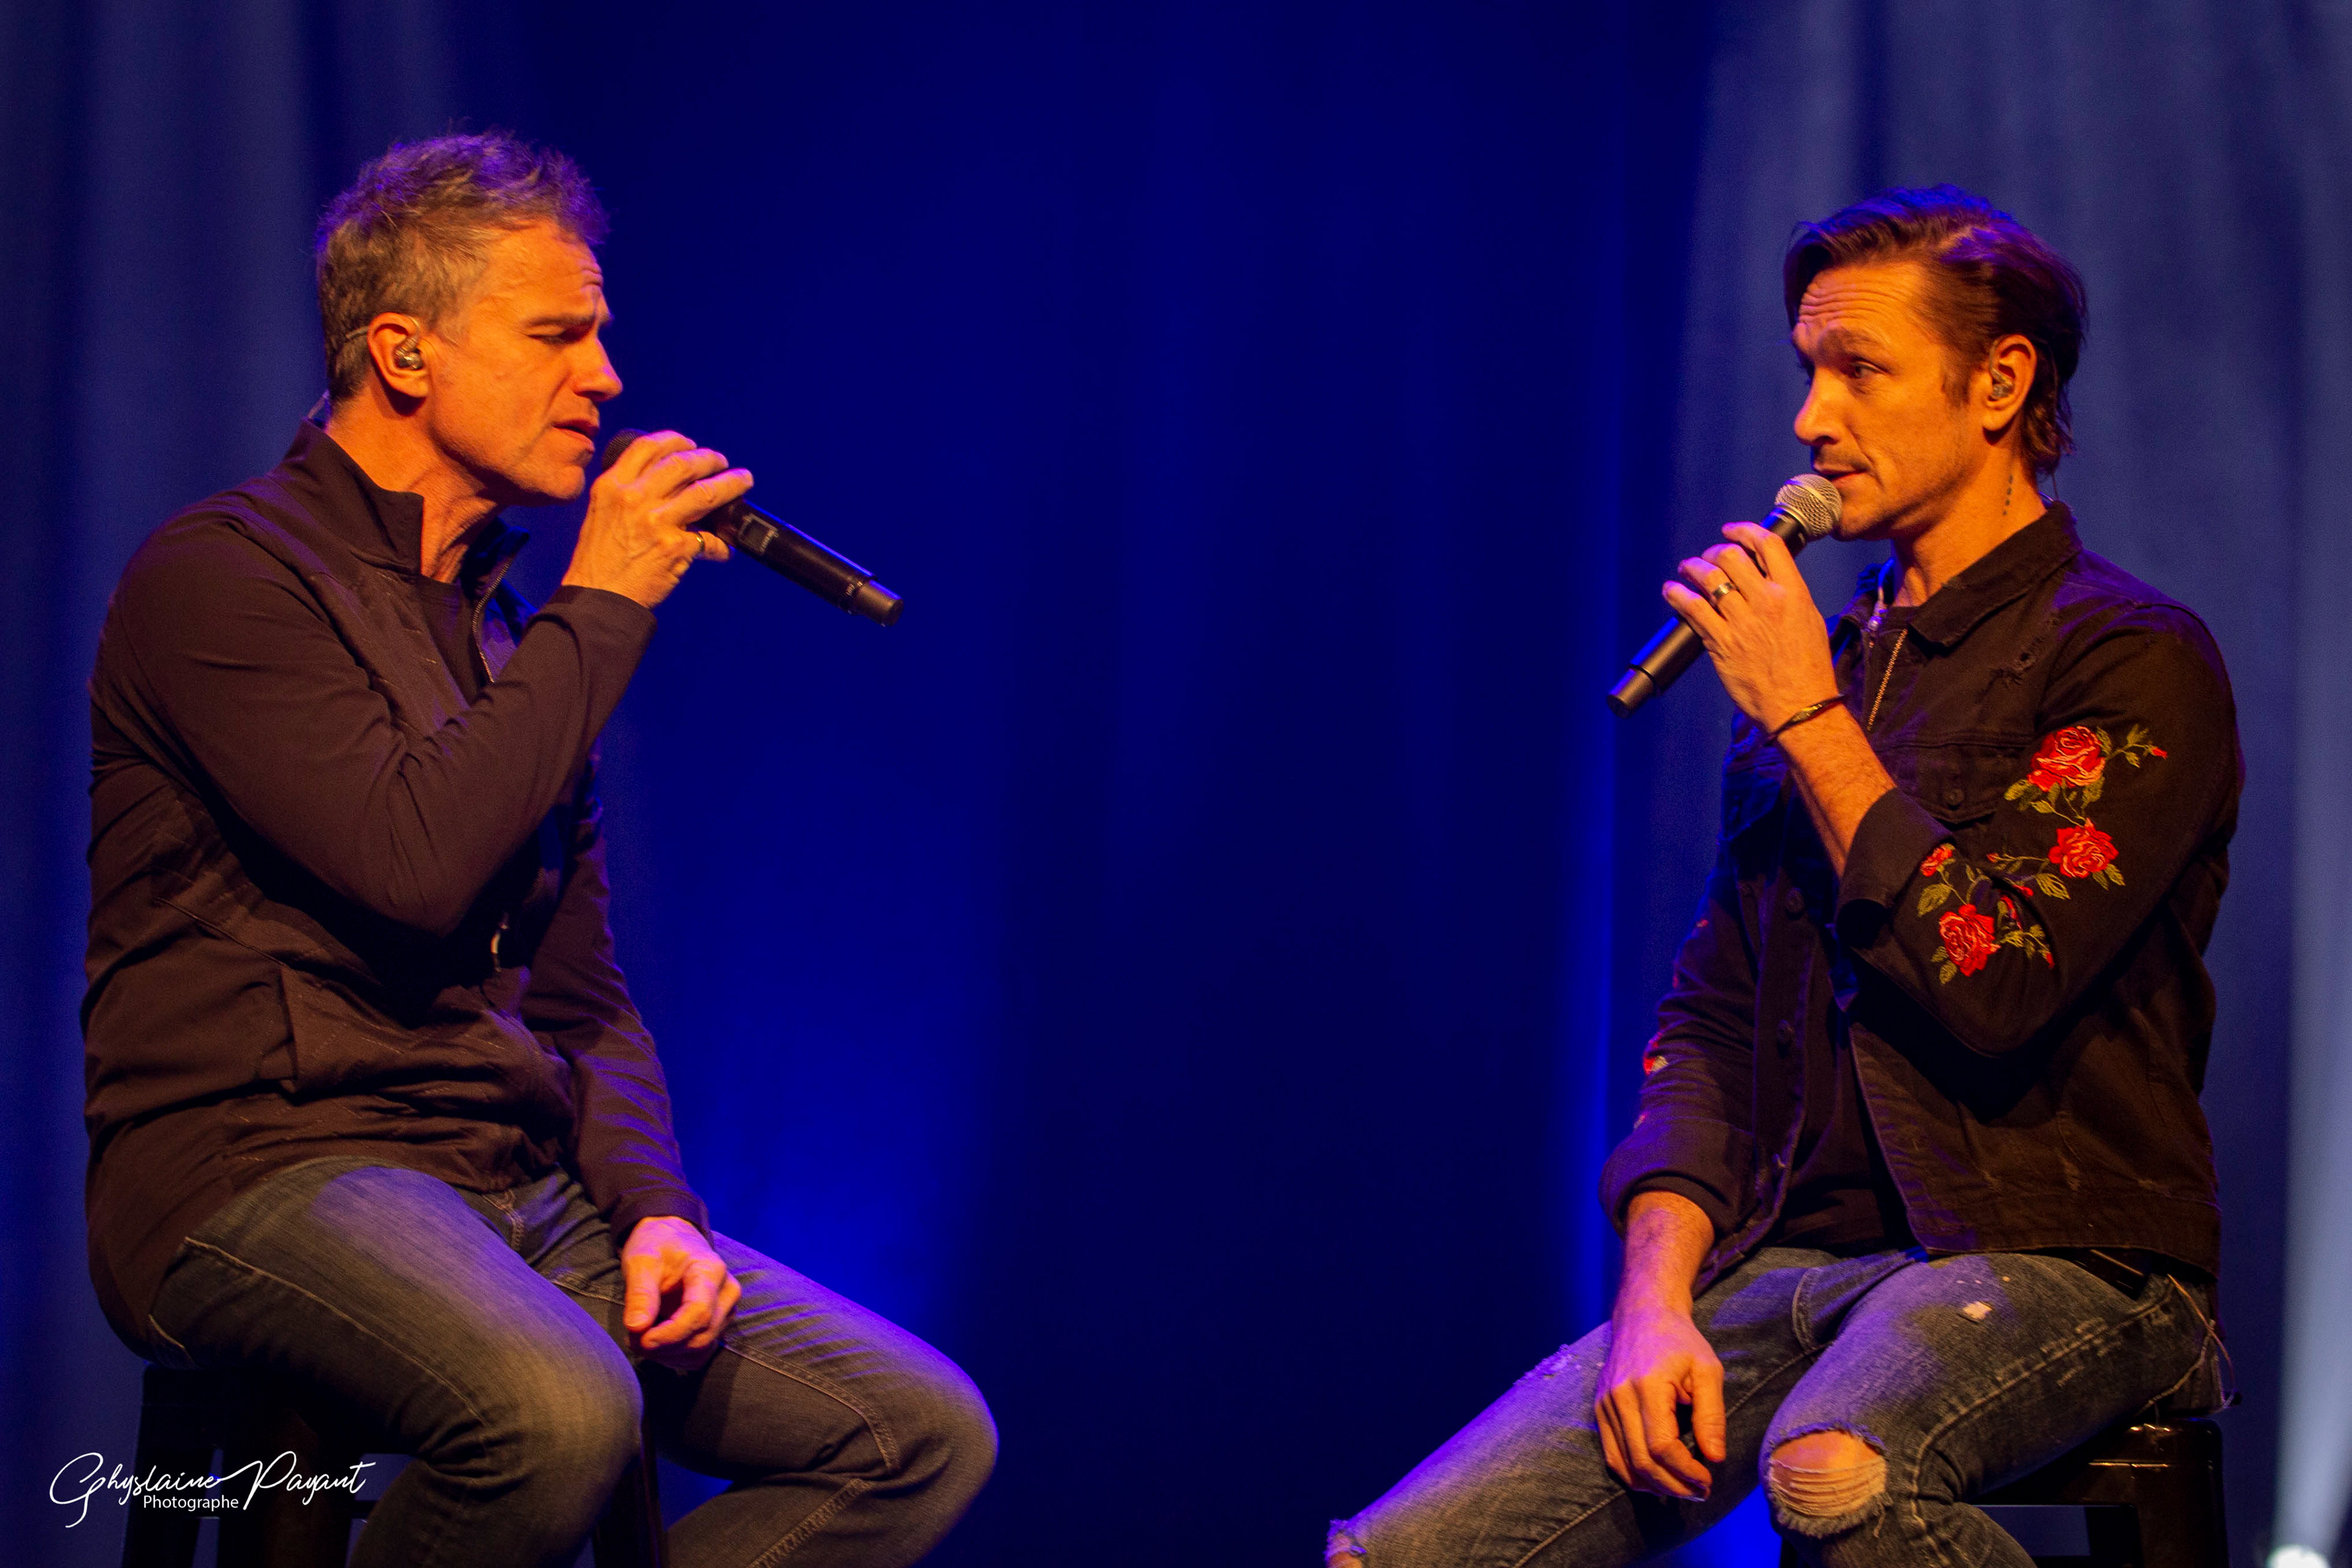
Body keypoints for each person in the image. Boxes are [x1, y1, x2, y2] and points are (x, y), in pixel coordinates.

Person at [82, 132, 993, 1567]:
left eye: (602, 335)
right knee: (558, 1411)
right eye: (558, 335)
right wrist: (606, 599)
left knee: (915, 1430)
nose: (607, 376)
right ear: (405, 352)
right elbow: (410, 862)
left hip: (511, 1181)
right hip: (262, 1165)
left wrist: (658, 1210)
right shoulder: (221, 575)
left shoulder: (507, 637)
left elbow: (579, 1001)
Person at [1327, 185, 2237, 1566]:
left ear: (2001, 384)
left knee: (1836, 1469)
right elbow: (1711, 1023)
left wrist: (1811, 717)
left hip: (2062, 1255)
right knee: (1396, 1555)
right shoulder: (1827, 673)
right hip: (1795, 1262)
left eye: (1860, 370)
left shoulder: (2129, 656)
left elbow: (2000, 977)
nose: (1812, 418)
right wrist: (1652, 1299)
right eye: (1808, 370)